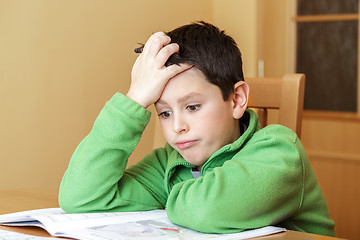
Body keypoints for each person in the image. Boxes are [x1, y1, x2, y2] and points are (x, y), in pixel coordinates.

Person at [59, 21, 336, 236]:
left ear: (237, 99)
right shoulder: (169, 163)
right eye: (164, 113)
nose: (177, 126)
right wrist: (134, 99)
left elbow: (204, 211)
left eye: (192, 107)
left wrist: (168, 196)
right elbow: (80, 197)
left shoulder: (279, 152)